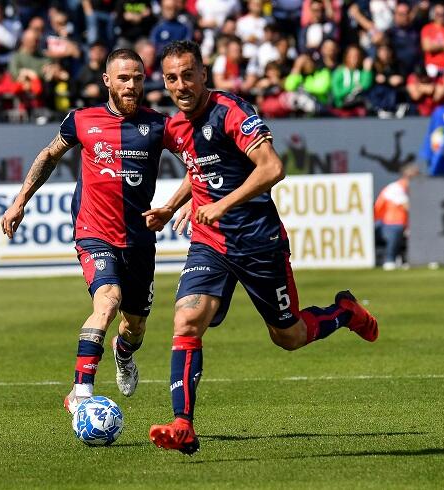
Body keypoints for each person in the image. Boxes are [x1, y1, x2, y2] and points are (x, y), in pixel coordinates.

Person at [143, 40, 379, 455]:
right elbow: (200, 167)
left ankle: (345, 312)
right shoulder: (176, 127)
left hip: (258, 242)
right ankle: (183, 425)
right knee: (187, 319)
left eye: (187, 74)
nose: (180, 84)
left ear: (203, 74)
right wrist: (170, 207)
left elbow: (272, 168)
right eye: (171, 77)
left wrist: (222, 204)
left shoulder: (232, 111)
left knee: (288, 336)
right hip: (210, 243)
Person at [0, 48, 170, 414]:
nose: (131, 85)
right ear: (107, 80)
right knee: (106, 300)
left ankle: (123, 353)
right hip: (95, 233)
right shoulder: (82, 120)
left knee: (135, 327)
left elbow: (194, 161)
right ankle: (80, 391)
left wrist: (181, 203)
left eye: (138, 78)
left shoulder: (159, 124)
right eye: (123, 78)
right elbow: (49, 155)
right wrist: (20, 200)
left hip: (139, 240)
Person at [373, 163, 420, 270]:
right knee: (396, 228)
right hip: (381, 225)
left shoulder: (412, 190)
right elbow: (409, 208)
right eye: (415, 176)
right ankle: (390, 260)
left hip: (403, 225)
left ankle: (408, 260)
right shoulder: (395, 188)